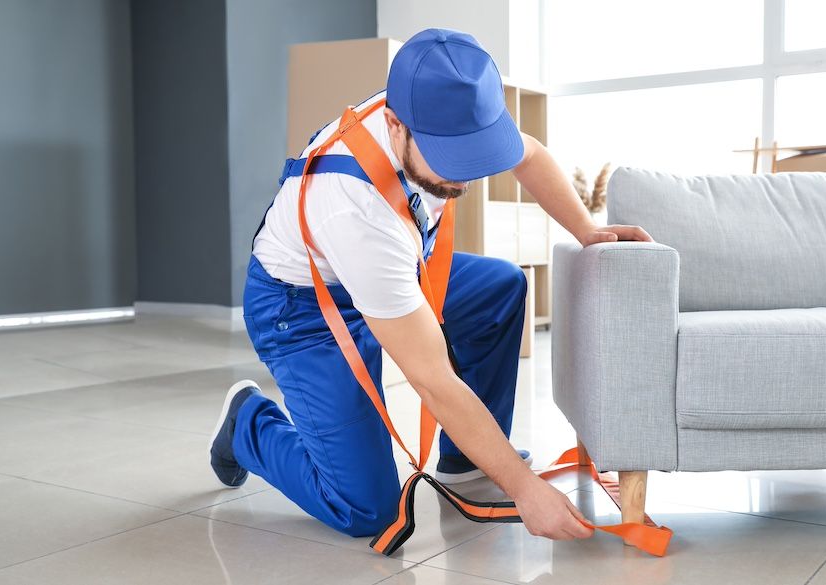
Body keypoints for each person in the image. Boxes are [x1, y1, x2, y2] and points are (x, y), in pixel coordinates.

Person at [208, 28, 652, 542]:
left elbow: (528, 157)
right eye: (450, 159)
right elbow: (432, 379)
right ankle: (247, 425)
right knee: (368, 511)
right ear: (395, 127)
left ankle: (465, 464)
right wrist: (526, 489)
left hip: (394, 272)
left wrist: (587, 231)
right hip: (303, 309)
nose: (465, 179)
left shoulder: (451, 110)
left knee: (499, 288)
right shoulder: (356, 207)